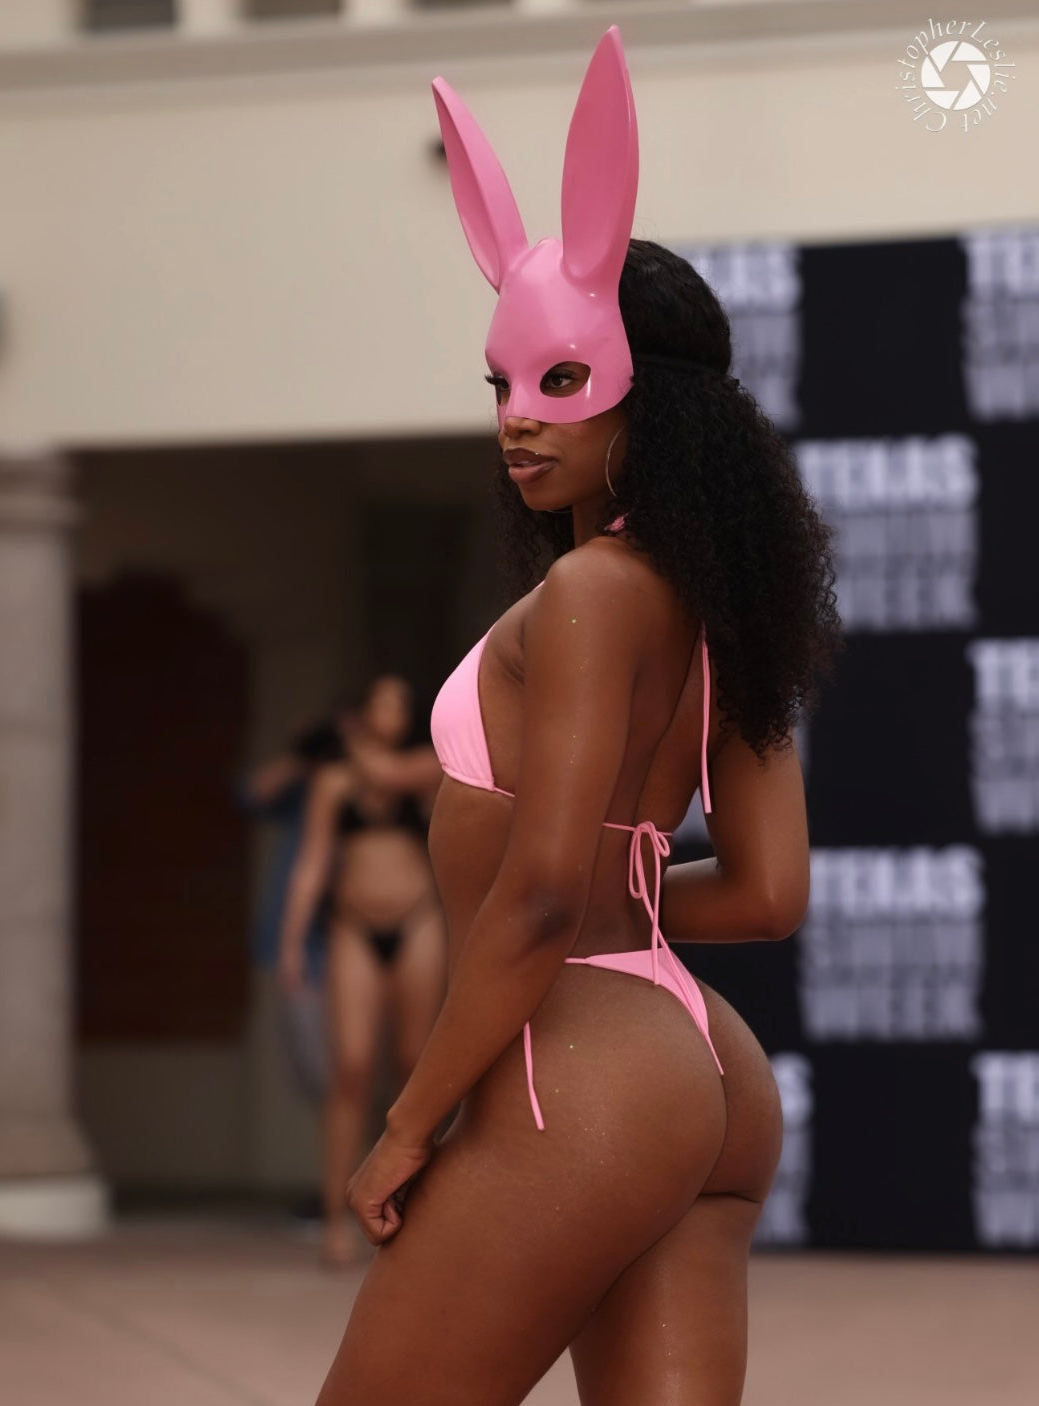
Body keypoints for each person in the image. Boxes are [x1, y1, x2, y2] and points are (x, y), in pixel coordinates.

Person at [313, 27, 841, 1405]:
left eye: (557, 382)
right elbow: (769, 888)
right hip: (702, 1071)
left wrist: (409, 1122)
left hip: (579, 1075)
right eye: (500, 383)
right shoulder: (723, 600)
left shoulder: (594, 595)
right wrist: (632, 905)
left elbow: (544, 894)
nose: (516, 419)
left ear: (648, 398)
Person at [280, 674, 446, 1268]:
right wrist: (292, 942)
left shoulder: (426, 765)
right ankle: (334, 1218)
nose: (390, 712)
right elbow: (312, 863)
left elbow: (390, 777)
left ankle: (413, 1212)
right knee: (349, 1069)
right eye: (380, 702)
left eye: (400, 702)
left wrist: (344, 738)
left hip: (418, 921)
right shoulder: (333, 782)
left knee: (413, 1066)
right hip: (352, 926)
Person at [238, 718, 346, 1116]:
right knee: (319, 1069)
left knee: (366, 1063)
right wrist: (303, 758)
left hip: (358, 928)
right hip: (307, 939)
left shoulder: (372, 781)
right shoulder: (305, 785)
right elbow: (250, 794)